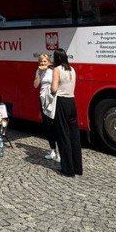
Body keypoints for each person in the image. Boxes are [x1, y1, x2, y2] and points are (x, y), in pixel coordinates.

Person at [50, 49, 83, 177]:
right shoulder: (72, 69)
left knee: (63, 135)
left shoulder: (57, 70)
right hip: (71, 102)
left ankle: (67, 169)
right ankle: (77, 167)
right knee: (74, 135)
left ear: (56, 58)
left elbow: (54, 88)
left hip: (61, 102)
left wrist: (51, 90)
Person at [33, 53, 58, 162]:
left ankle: (59, 151)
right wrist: (39, 74)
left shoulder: (53, 71)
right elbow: (35, 85)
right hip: (43, 99)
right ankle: (52, 150)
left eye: (45, 61)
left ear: (49, 62)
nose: (42, 63)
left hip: (52, 99)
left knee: (55, 124)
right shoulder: (38, 71)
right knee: (47, 125)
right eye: (41, 61)